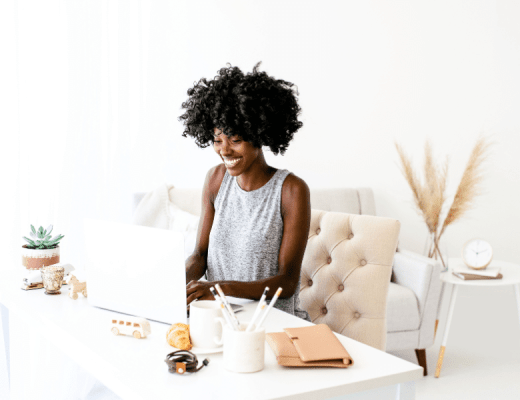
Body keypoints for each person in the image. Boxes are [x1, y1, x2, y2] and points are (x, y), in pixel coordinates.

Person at [179, 62, 310, 319]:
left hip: (267, 321)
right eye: (217, 140)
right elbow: (200, 255)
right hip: (217, 317)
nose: (224, 150)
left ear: (260, 135)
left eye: (235, 140)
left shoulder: (291, 190)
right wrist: (172, 284)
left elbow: (287, 281)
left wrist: (220, 289)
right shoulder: (216, 180)